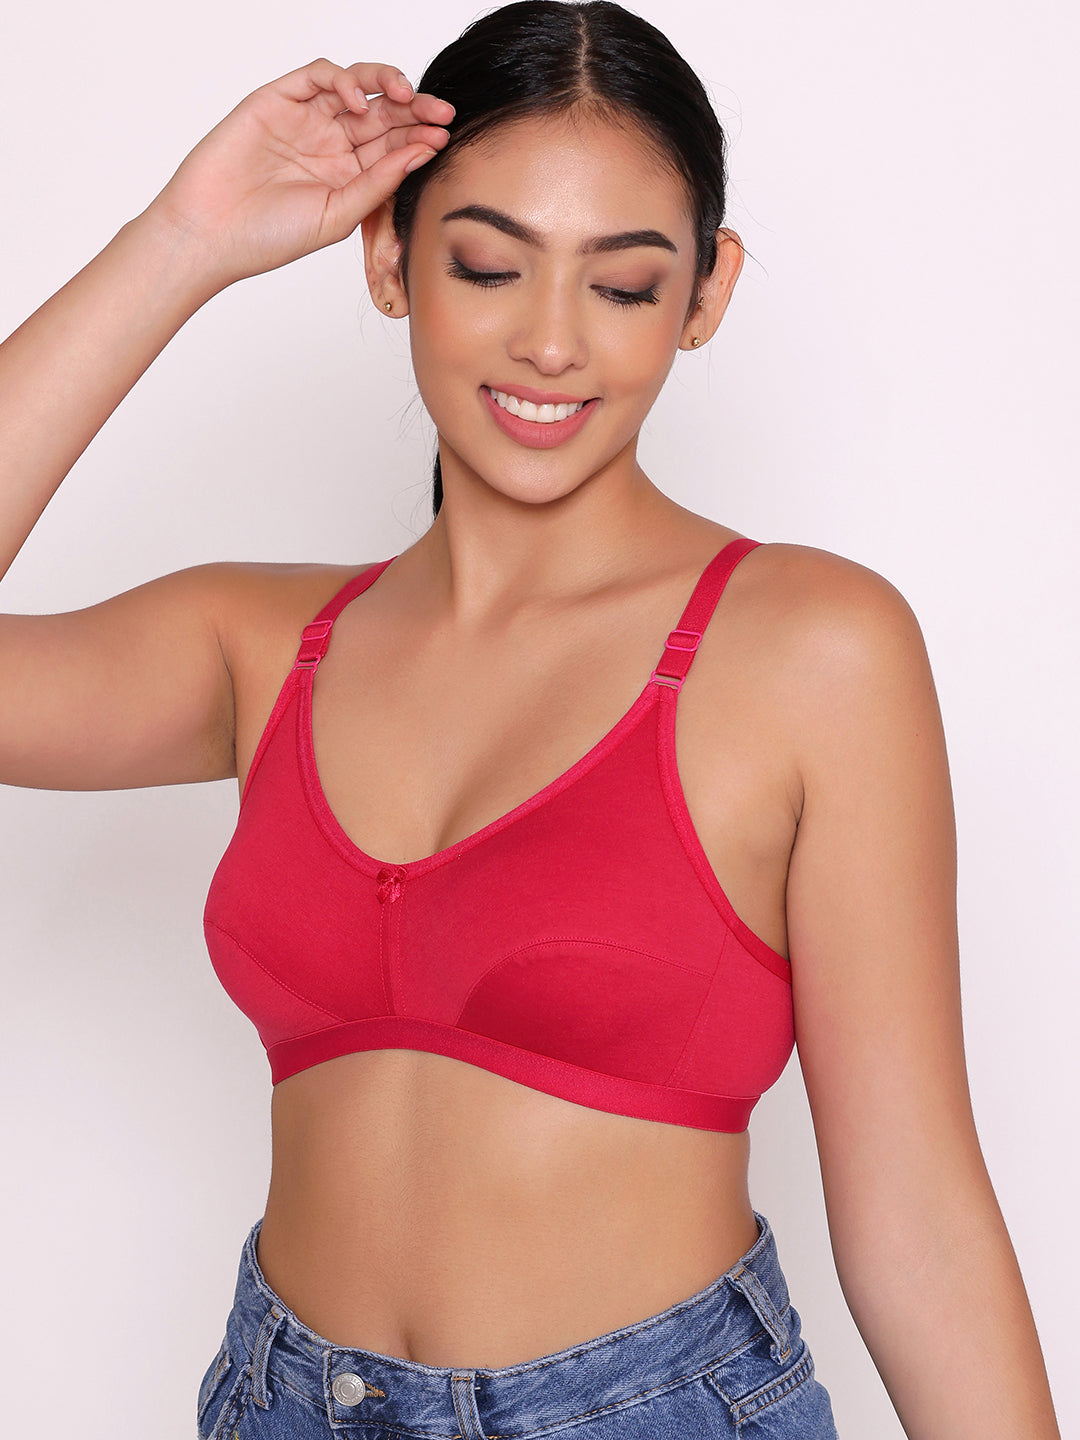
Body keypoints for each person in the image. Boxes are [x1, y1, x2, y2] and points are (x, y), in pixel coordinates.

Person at [0, 1, 1061, 1436]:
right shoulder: (260, 646)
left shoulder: (811, 649)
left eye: (622, 286)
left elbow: (918, 1216)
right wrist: (182, 242)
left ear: (705, 294)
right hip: (283, 1401)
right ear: (390, 259)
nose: (551, 341)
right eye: (488, 267)